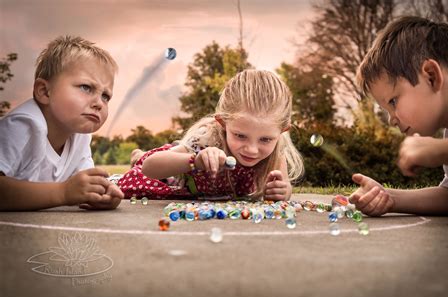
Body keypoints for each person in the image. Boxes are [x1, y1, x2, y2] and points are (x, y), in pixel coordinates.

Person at [351, 16, 448, 218]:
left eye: (393, 102)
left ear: (431, 76)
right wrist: (389, 197)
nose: (391, 119)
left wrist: (439, 151)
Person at [118, 69, 304, 201]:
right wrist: (196, 160)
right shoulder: (207, 139)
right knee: (134, 177)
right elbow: (150, 169)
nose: (252, 149)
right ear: (223, 124)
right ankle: (139, 155)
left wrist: (283, 191)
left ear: (281, 132)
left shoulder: (276, 154)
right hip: (172, 172)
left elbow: (285, 188)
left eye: (265, 139)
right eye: (240, 136)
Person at [0, 35, 124, 211]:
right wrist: (62, 193)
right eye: (86, 87)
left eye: (106, 96)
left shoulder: (81, 136)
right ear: (44, 92)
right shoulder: (23, 126)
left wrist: (101, 192)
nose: (99, 103)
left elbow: (83, 182)